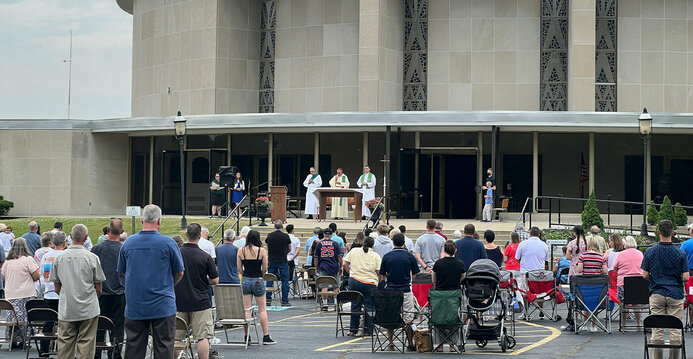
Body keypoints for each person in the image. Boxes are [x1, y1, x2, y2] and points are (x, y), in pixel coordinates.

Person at [118, 204, 185, 358]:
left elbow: (121, 271)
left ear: (142, 220)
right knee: (164, 346)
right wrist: (169, 285)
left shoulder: (128, 243)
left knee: (134, 346)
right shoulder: (168, 243)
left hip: (135, 303)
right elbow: (179, 272)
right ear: (159, 221)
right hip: (162, 303)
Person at [49, 224, 106, 359]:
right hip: (88, 307)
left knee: (64, 344)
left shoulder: (59, 258)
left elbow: (56, 287)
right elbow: (99, 285)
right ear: (86, 238)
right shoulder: (92, 258)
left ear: (70, 236)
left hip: (67, 307)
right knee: (86, 343)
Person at [642, 220, 689, 359]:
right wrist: (674, 279)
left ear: (658, 232)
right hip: (675, 293)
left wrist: (656, 279)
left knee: (657, 329)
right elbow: (686, 277)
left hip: (657, 292)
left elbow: (644, 274)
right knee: (675, 330)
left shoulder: (650, 251)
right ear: (672, 232)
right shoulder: (680, 253)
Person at [174, 223, 219, 359]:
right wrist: (205, 280)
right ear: (200, 236)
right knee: (202, 337)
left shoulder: (177, 254)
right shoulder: (204, 256)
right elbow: (215, 280)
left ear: (186, 234)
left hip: (179, 300)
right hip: (200, 301)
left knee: (176, 338)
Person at [91, 219, 126, 359]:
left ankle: (97, 354)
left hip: (101, 293)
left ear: (108, 230)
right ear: (122, 232)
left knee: (99, 326)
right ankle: (116, 354)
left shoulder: (97, 249)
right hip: (120, 293)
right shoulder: (124, 249)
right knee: (118, 328)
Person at [379, 233, 420, 350]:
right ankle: (410, 343)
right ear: (403, 243)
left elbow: (381, 275)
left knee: (390, 316)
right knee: (409, 318)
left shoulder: (387, 256)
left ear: (393, 242)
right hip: (405, 289)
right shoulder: (409, 256)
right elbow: (415, 274)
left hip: (391, 290)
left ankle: (390, 342)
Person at [237, 229, 276, 344]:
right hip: (257, 278)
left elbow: (239, 268)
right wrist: (261, 274)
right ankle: (266, 336)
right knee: (262, 309)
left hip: (245, 279)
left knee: (247, 309)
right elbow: (265, 268)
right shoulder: (261, 250)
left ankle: (247, 336)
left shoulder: (241, 250)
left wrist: (244, 275)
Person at [1, 238, 40, 347]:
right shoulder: (28, 260)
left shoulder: (7, 261)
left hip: (10, 294)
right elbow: (36, 276)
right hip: (26, 293)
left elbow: (3, 277)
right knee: (25, 319)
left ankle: (12, 339)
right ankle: (24, 340)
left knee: (13, 318)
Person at [431, 241, 466, 352]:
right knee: (454, 318)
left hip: (439, 295)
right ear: (455, 250)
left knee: (439, 318)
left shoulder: (438, 264)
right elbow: (463, 277)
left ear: (444, 251)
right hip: (454, 294)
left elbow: (433, 280)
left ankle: (440, 345)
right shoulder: (460, 264)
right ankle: (452, 344)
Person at [342, 236, 381, 336]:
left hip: (354, 281)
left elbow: (345, 263)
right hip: (369, 282)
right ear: (373, 245)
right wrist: (378, 280)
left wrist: (350, 272)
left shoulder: (354, 251)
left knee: (355, 305)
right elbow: (378, 271)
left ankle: (353, 329)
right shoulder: (375, 255)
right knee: (370, 307)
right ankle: (369, 330)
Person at [613, 235, 644, 328]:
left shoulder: (621, 254)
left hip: (624, 284)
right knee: (637, 303)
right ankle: (639, 323)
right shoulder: (640, 254)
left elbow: (615, 267)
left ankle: (624, 325)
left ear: (625, 244)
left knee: (623, 303)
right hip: (639, 284)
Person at [314, 227, 342, 310]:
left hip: (323, 266)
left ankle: (325, 304)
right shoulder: (335, 244)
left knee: (324, 286)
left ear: (323, 234)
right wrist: (341, 266)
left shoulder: (319, 244)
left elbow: (316, 257)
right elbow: (339, 257)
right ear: (331, 235)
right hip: (334, 266)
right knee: (336, 286)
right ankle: (336, 304)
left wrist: (316, 267)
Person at [265, 220, 291, 306]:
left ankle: (268, 298)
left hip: (272, 259)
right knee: (285, 280)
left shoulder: (270, 236)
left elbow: (268, 247)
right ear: (282, 227)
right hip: (283, 260)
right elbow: (290, 248)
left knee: (270, 279)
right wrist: (285, 253)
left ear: (274, 227)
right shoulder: (285, 236)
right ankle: (284, 300)